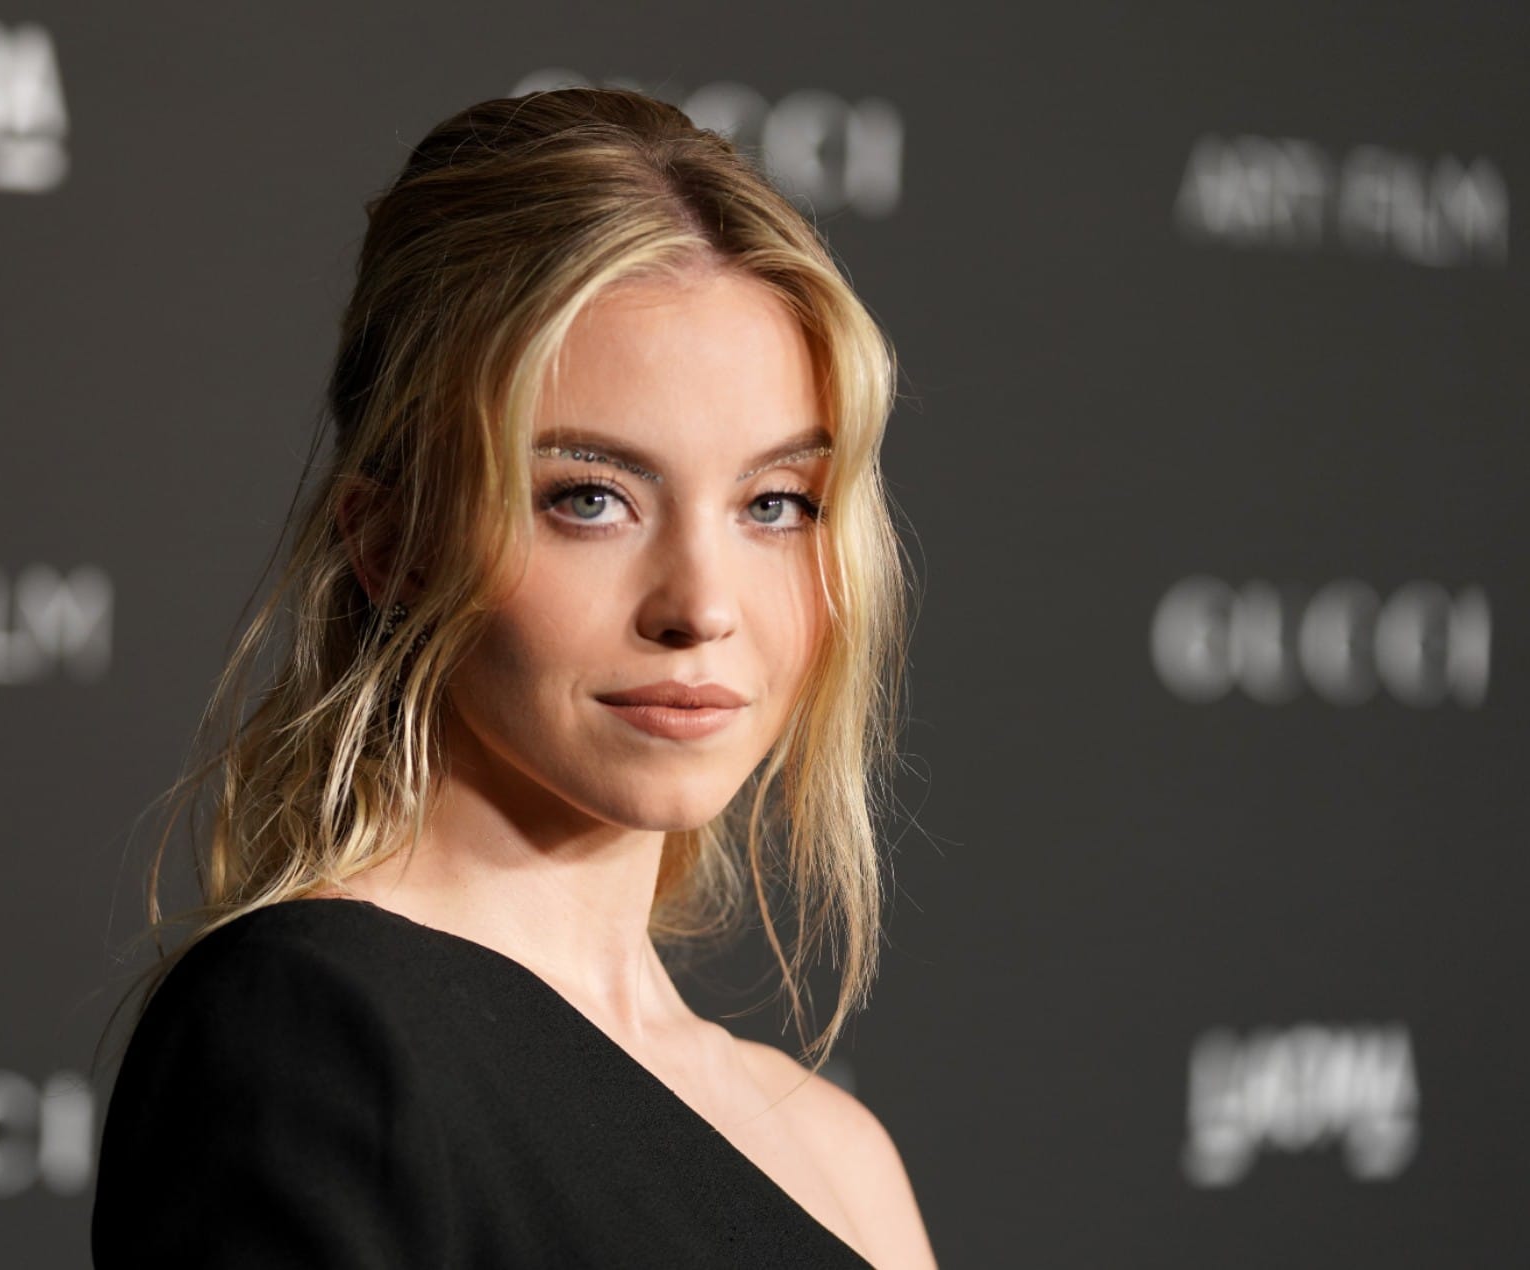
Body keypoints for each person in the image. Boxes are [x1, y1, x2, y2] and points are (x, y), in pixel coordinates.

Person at [91, 87, 938, 1269]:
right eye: (589, 498)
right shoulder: (310, 1036)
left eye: (774, 504)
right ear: (387, 541)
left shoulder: (840, 1154)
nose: (700, 606)